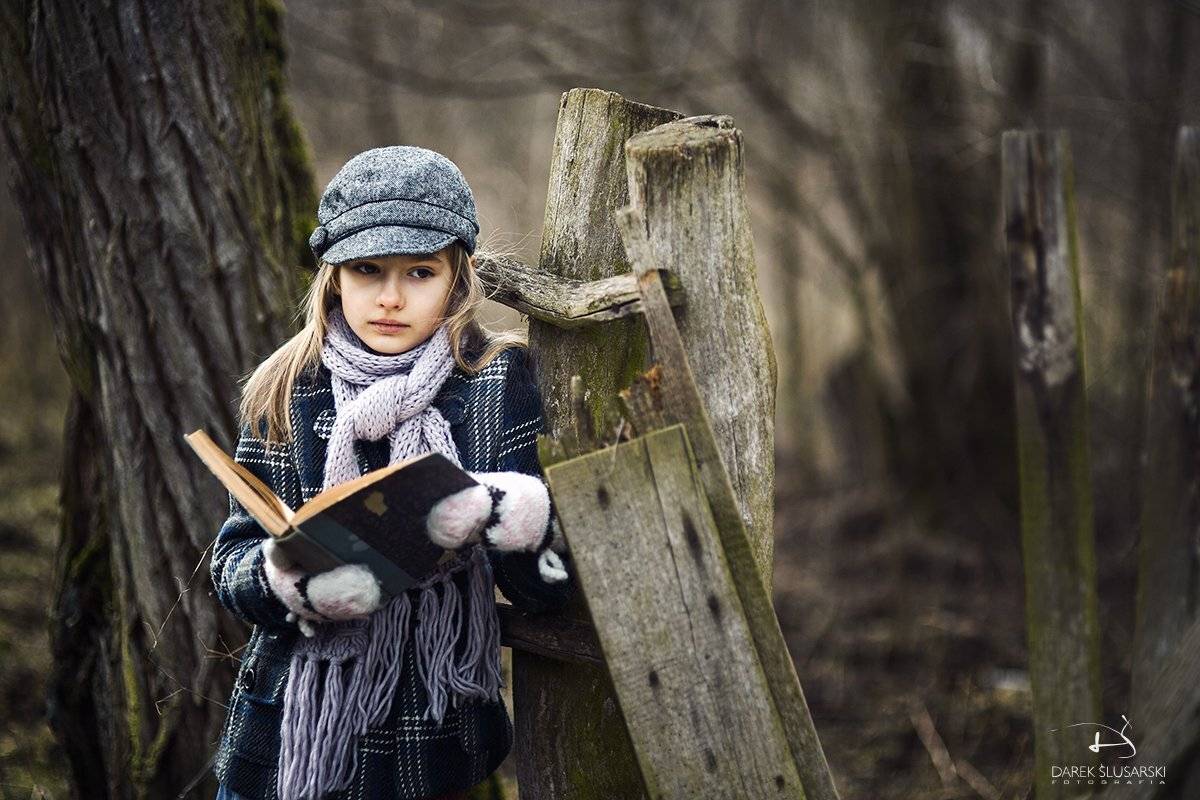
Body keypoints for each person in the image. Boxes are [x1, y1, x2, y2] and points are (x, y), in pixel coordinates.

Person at [209, 146, 575, 800]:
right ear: (334, 277)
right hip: (287, 740)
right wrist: (283, 577)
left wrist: (510, 514)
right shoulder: (290, 387)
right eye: (367, 269)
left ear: (456, 279)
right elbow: (230, 563)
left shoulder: (495, 384)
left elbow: (545, 591)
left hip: (429, 745)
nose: (389, 297)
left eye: (419, 272)